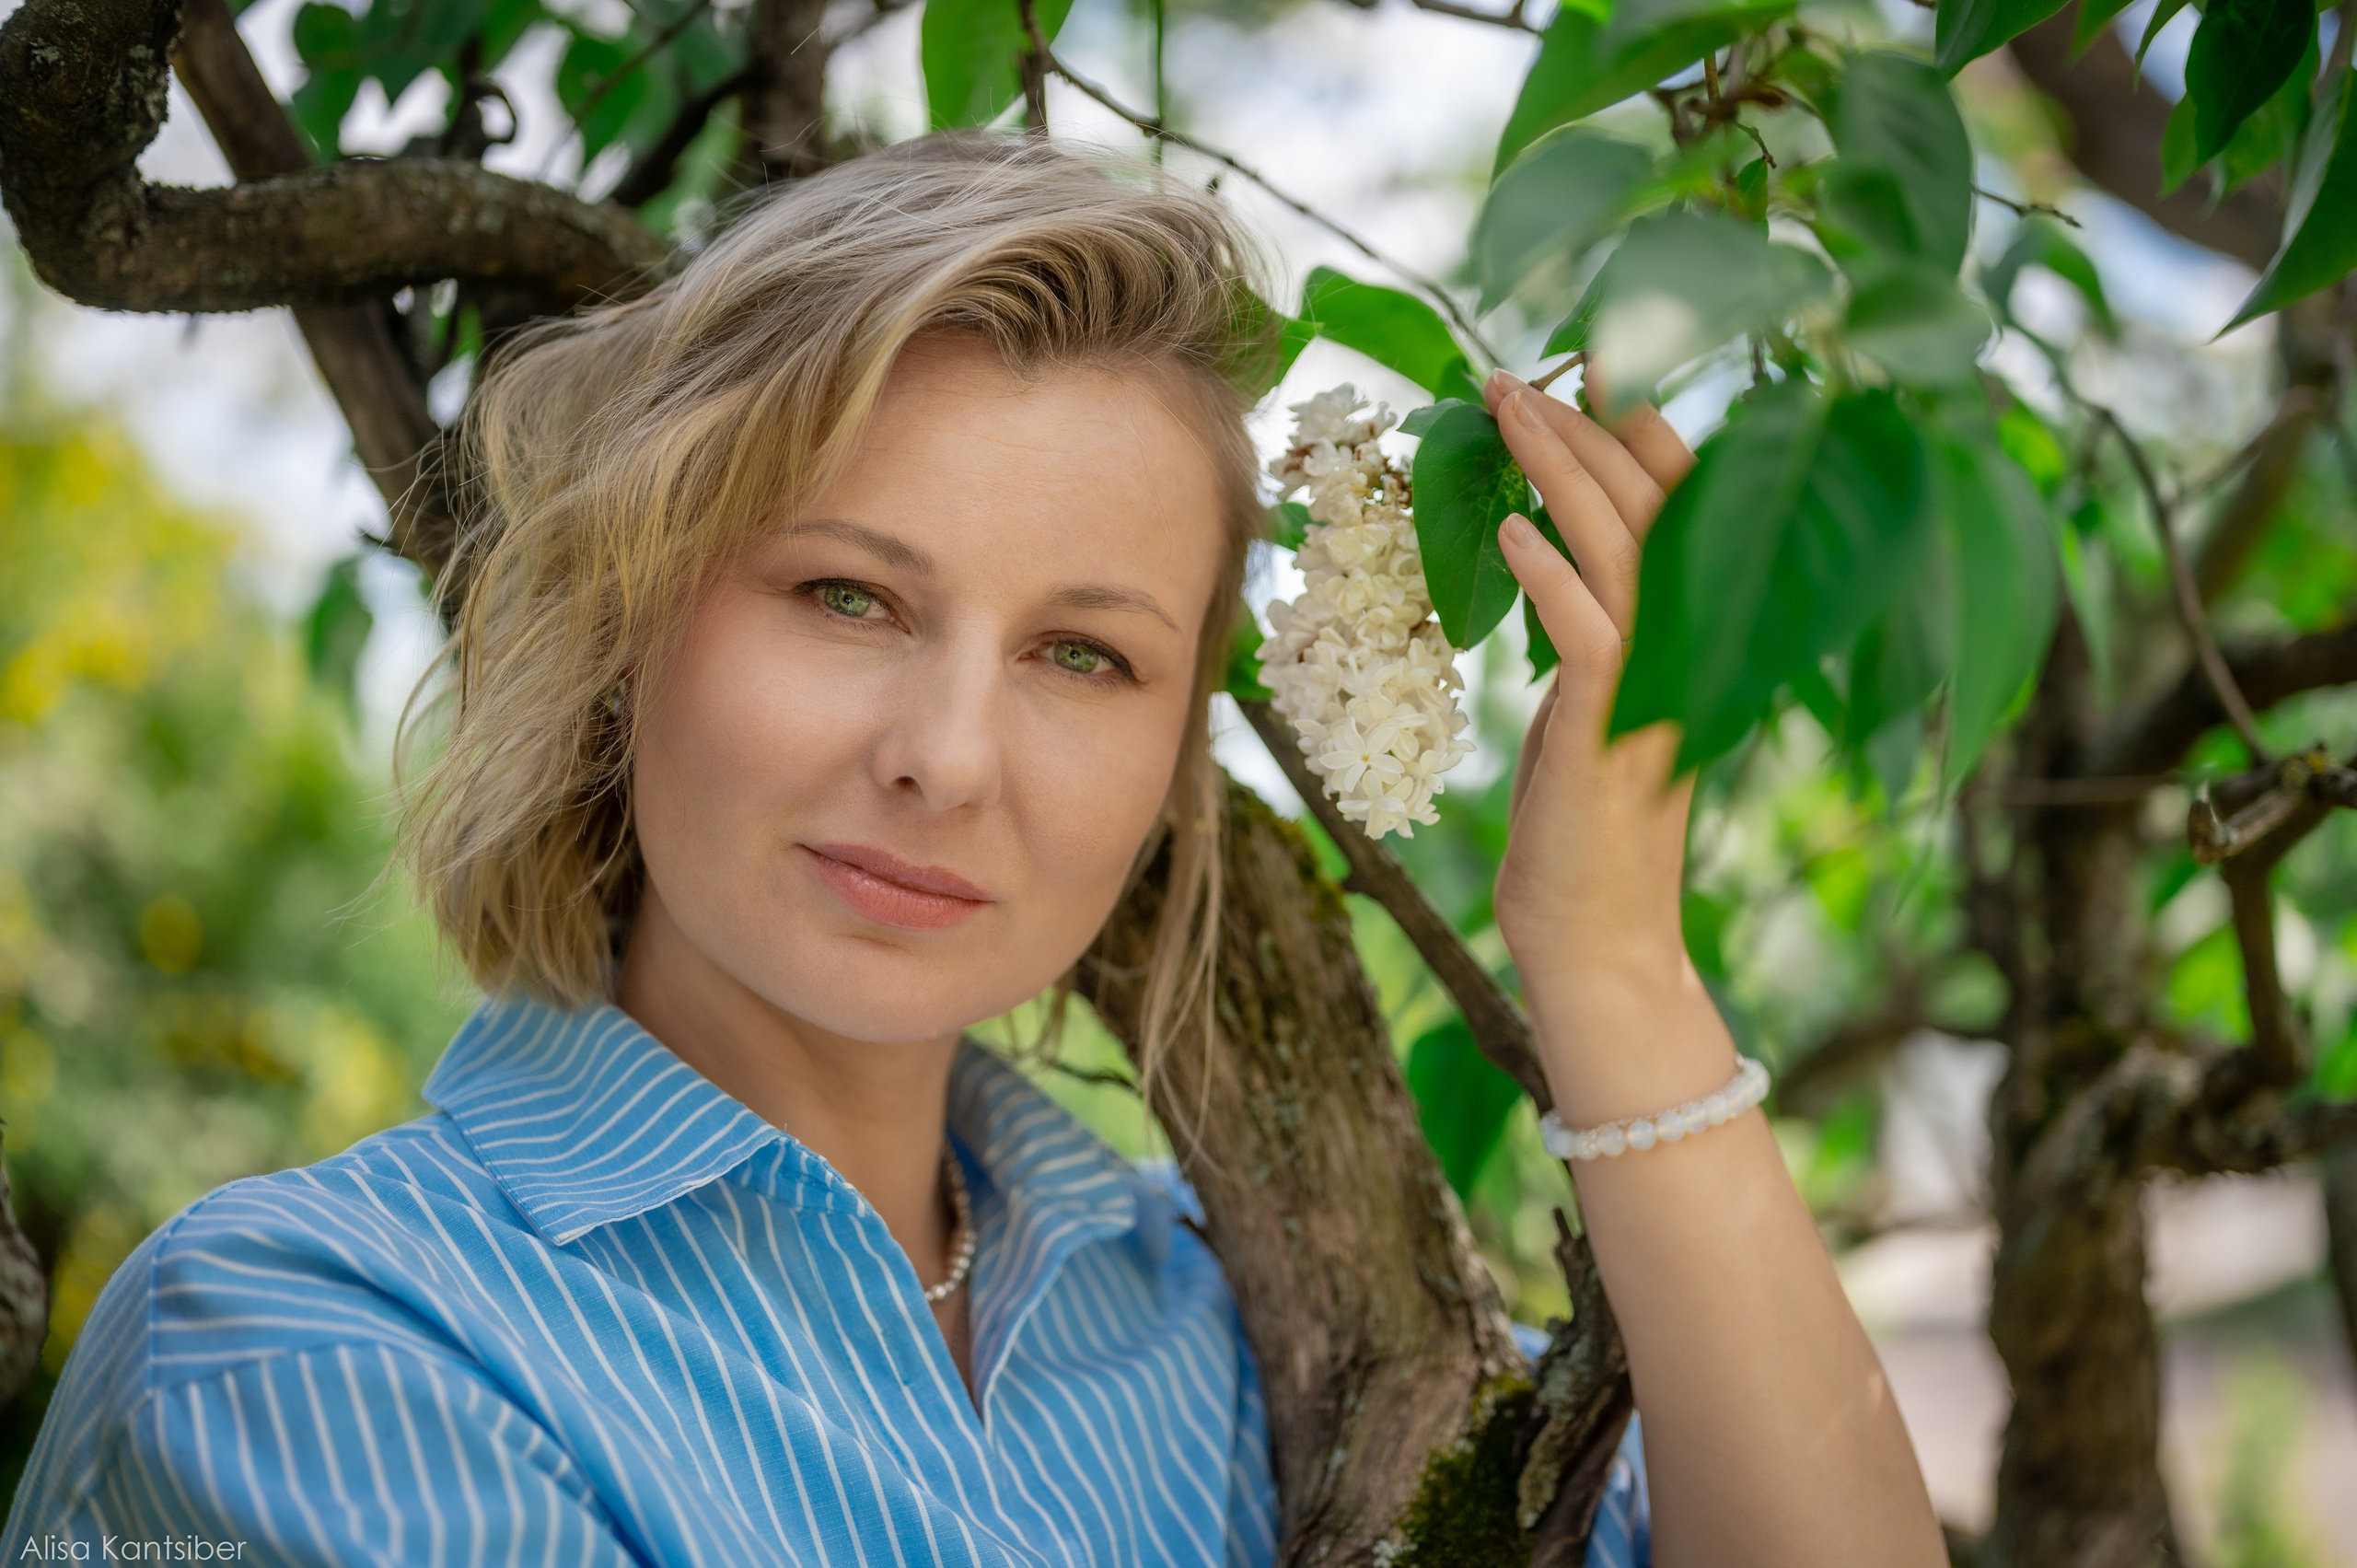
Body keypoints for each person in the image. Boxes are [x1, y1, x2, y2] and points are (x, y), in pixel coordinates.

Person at [2, 134, 1944, 1567]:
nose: (944, 759)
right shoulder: (307, 1348)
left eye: (1084, 655)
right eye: (845, 596)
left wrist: (1610, 960)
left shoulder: (1231, 1316)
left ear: (1174, 758)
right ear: (630, 618)